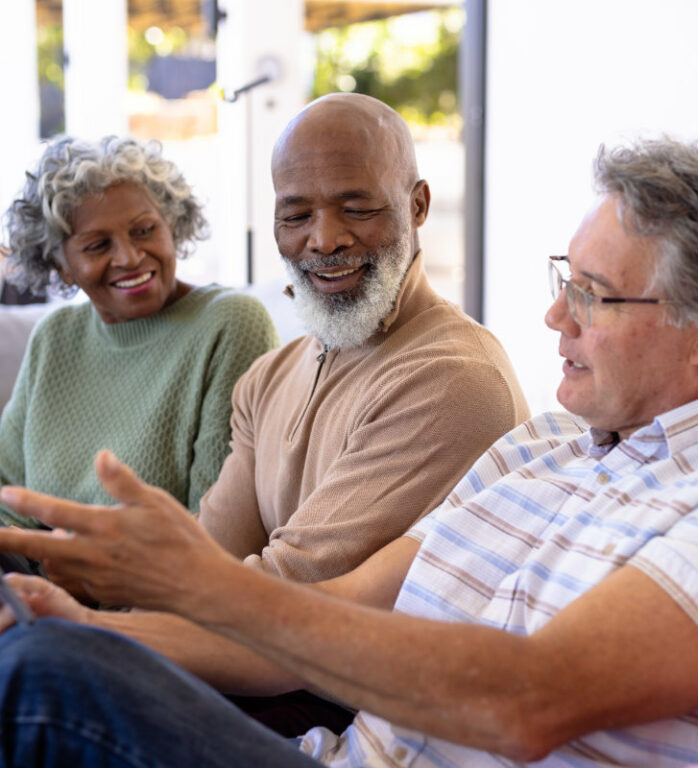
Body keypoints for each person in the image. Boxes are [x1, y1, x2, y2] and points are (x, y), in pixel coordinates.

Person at [0, 135, 698, 766]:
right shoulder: (545, 447)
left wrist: (200, 584)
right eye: (565, 278)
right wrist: (86, 624)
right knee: (42, 650)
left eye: (594, 293)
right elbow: (320, 617)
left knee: (40, 678)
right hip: (329, 753)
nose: (554, 314)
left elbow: (526, 702)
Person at [195, 92, 529, 581]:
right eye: (295, 216)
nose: (324, 239)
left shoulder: (452, 378)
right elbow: (208, 563)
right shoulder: (268, 378)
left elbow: (286, 590)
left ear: (418, 206)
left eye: (356, 209)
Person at [0, 136, 279, 539]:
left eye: (144, 230)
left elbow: (215, 527)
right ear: (61, 266)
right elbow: (7, 492)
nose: (129, 257)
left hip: (150, 593)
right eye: (97, 245)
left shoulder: (229, 324)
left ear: (173, 225)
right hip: (34, 582)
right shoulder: (55, 338)